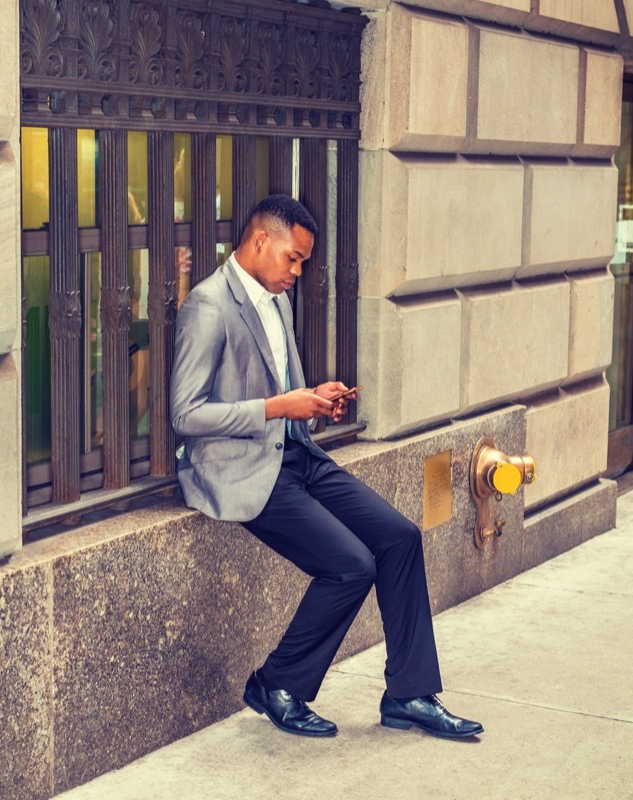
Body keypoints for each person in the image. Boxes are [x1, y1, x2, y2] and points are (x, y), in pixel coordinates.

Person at [170, 195, 483, 740]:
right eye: (293, 258)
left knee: (401, 537)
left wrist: (313, 399)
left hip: (295, 455)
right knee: (351, 565)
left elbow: (282, 392)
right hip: (239, 469)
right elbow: (185, 413)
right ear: (260, 240)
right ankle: (277, 684)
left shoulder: (278, 301)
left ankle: (409, 694)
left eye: (304, 262)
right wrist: (277, 408)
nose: (298, 271)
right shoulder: (209, 305)